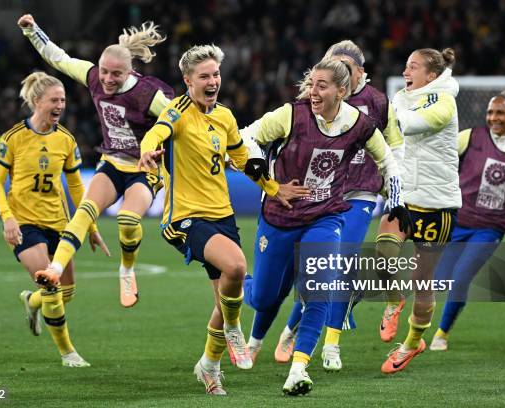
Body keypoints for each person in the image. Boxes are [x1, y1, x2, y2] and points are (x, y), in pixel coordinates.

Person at [137, 44, 307, 395]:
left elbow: (244, 159)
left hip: (222, 216)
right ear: (188, 81)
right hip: (184, 218)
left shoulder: (225, 117)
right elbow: (157, 133)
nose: (213, 81)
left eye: (215, 74)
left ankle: (209, 366)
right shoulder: (177, 111)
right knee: (237, 268)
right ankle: (234, 328)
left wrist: (273, 189)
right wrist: (146, 151)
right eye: (204, 76)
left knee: (223, 298)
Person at [240, 57, 409, 395]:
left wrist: (397, 200)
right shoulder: (290, 114)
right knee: (264, 298)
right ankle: (242, 280)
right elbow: (246, 137)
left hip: (325, 215)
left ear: (341, 91)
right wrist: (271, 183)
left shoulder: (360, 124)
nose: (313, 92)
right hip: (280, 216)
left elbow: (387, 159)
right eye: (312, 84)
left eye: (322, 86)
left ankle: (298, 369)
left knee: (318, 288)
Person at [17, 14, 174, 307]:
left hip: (145, 167)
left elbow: (183, 122)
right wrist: (32, 31)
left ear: (130, 71)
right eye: (104, 72)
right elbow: (59, 59)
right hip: (113, 162)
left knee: (128, 220)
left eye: (116, 74)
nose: (108, 79)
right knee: (84, 211)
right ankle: (55, 269)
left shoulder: (148, 95)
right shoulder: (92, 77)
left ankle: (127, 269)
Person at [273, 39, 405, 372]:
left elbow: (395, 148)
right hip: (319, 191)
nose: (341, 70)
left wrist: (396, 191)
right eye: (335, 63)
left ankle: (331, 344)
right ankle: (294, 325)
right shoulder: (316, 98)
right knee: (314, 268)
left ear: (361, 70)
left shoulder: (378, 102)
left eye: (347, 65)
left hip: (360, 191)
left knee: (341, 263)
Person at [0, 71, 108, 367]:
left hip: (59, 223)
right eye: (55, 100)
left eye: (63, 100)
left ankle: (31, 303)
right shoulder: (14, 138)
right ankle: (69, 353)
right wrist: (8, 218)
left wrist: (90, 226)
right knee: (51, 287)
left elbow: (77, 186)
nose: (60, 105)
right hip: (24, 224)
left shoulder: (66, 140)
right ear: (37, 101)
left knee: (67, 292)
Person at [429, 90, 505, 351]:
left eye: (501, 112)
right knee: (436, 279)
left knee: (460, 278)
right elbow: (440, 152)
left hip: (490, 227)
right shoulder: (473, 136)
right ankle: (417, 330)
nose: (494, 117)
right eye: (490, 112)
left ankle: (441, 334)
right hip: (456, 220)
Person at [379, 48, 461, 374]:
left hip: (437, 203)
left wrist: (377, 113)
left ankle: (413, 342)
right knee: (384, 253)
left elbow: (408, 126)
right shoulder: (401, 95)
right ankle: (392, 300)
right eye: (405, 65)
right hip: (405, 196)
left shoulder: (444, 102)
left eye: (412, 67)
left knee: (422, 280)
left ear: (431, 75)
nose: (404, 72)